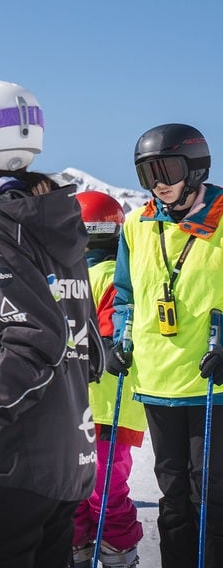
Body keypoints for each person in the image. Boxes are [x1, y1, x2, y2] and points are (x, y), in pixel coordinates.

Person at [0, 80, 100, 568]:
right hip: (65, 453)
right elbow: (86, 343)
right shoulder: (54, 218)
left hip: (10, 458)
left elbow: (35, 339)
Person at [108, 122, 223, 567]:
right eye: (147, 173)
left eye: (167, 170)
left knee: (210, 492)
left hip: (211, 380)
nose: (158, 183)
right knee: (173, 493)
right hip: (158, 380)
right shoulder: (136, 224)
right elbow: (126, 295)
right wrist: (121, 339)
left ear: (195, 168)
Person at [70, 191, 145, 568]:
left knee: (97, 489)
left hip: (100, 406)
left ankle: (106, 549)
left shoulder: (108, 277)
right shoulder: (78, 277)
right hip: (96, 403)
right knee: (91, 489)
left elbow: (112, 333)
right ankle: (86, 546)